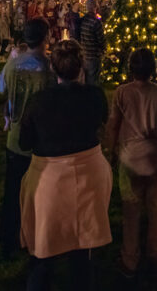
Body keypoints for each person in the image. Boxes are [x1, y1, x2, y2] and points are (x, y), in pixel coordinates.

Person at [19, 40, 111, 291]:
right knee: (82, 253)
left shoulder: (40, 101)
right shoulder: (95, 96)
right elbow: (103, 123)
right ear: (81, 66)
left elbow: (24, 142)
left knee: (42, 251)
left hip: (50, 180)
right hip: (88, 178)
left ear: (53, 68)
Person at [105, 48, 157, 279]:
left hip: (130, 158)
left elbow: (114, 124)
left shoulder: (122, 93)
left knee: (131, 209)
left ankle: (130, 259)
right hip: (156, 157)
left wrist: (112, 151)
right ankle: (156, 256)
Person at [0, 19, 56, 258]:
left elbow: (2, 89)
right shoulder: (49, 69)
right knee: (39, 195)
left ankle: (9, 238)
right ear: (46, 37)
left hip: (15, 135)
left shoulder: (12, 65)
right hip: (40, 141)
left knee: (12, 191)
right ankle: (35, 239)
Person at [78, 0, 106, 87]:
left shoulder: (82, 20)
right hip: (93, 55)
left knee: (85, 78)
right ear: (95, 7)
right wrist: (103, 49)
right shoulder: (96, 22)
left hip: (84, 53)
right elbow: (101, 40)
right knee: (92, 79)